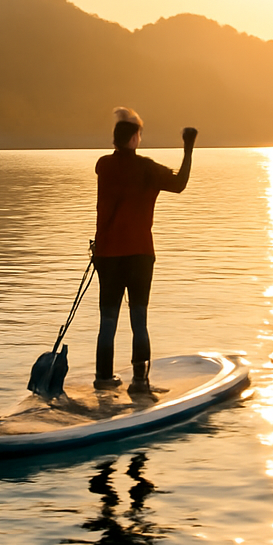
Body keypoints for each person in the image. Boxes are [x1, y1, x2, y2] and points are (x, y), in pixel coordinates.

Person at [92, 107, 197, 398]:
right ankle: (139, 383)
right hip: (139, 255)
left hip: (107, 254)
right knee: (139, 319)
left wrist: (128, 120)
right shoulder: (147, 170)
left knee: (108, 319)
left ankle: (103, 378)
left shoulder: (103, 166)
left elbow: (119, 159)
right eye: (139, 134)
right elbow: (179, 184)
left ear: (115, 139)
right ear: (136, 138)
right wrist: (188, 148)